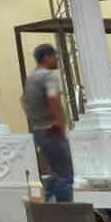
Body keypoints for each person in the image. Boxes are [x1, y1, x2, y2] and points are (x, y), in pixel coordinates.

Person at [23, 43, 74, 202]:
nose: (57, 59)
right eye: (54, 56)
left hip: (39, 131)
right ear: (46, 57)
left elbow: (24, 102)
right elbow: (53, 98)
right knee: (65, 174)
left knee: (54, 171)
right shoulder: (48, 77)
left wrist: (34, 120)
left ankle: (45, 202)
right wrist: (60, 123)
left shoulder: (30, 79)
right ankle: (65, 209)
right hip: (52, 130)